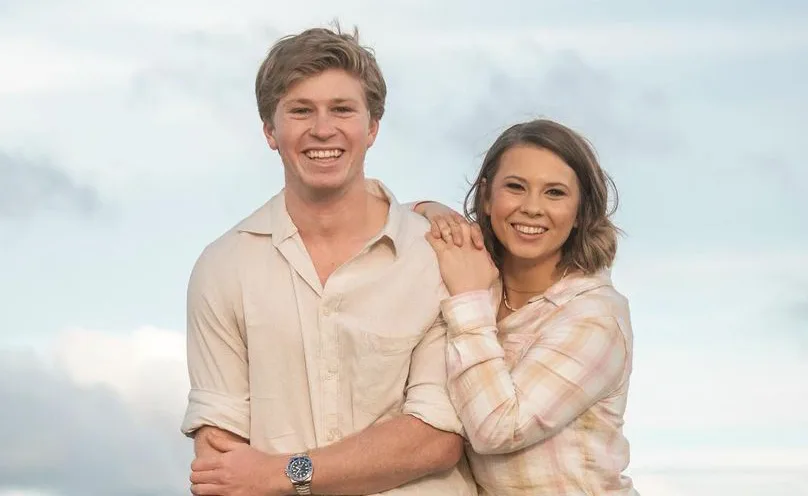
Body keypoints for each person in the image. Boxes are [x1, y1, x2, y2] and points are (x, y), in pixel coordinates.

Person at [180, 25, 477, 496]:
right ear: (270, 131)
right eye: (301, 111)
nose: (323, 129)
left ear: (372, 127)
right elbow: (220, 461)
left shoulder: (436, 256)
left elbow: (437, 439)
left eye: (342, 109)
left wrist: (283, 473)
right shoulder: (224, 267)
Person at [415, 119, 638, 495]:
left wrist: (467, 300)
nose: (532, 208)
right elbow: (374, 206)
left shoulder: (596, 316)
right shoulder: (483, 278)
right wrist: (431, 209)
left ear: (582, 211)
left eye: (554, 193)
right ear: (486, 197)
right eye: (515, 187)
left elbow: (497, 427)